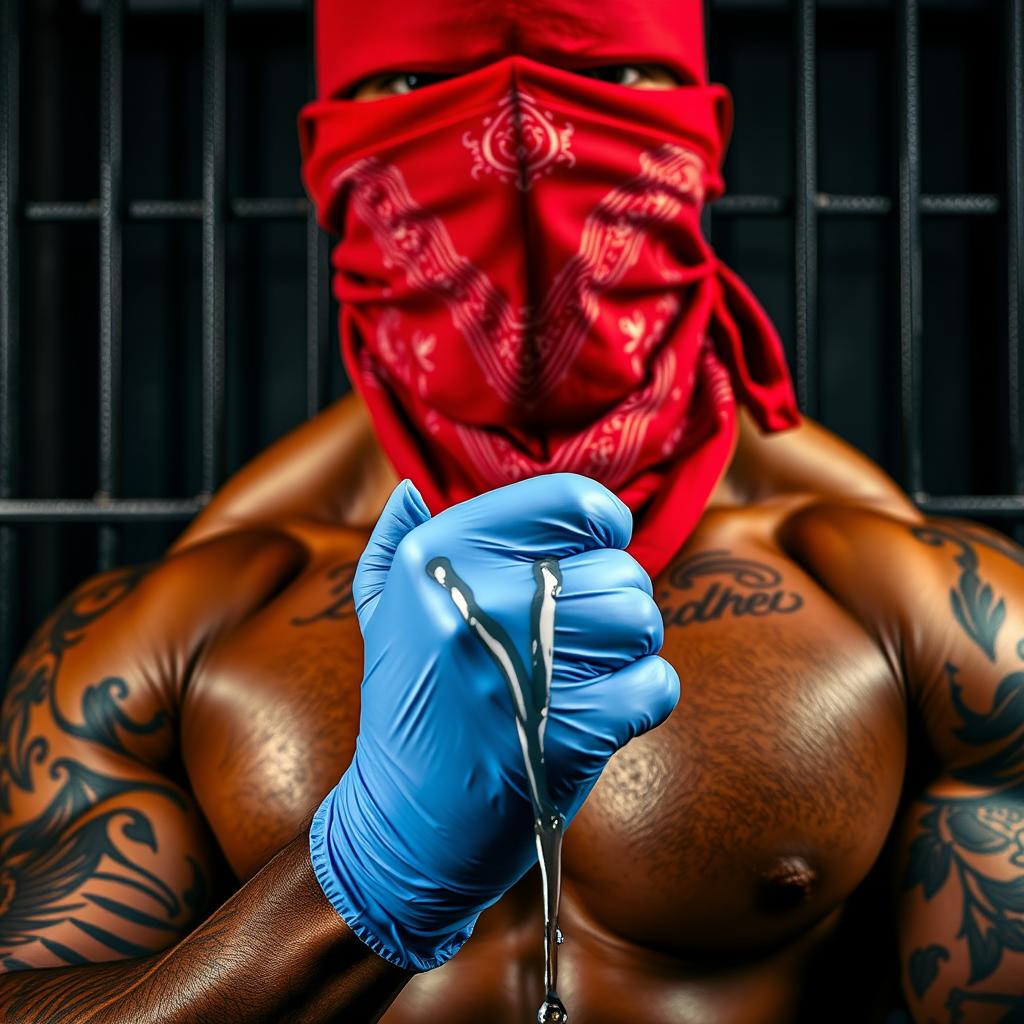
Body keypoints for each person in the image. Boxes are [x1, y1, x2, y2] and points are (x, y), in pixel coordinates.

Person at [1, 1, 1022, 1021]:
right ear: (328, 158)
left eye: (611, 84)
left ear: (703, 133)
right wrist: (354, 884)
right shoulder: (183, 626)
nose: (525, 144)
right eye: (414, 90)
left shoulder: (923, 608)